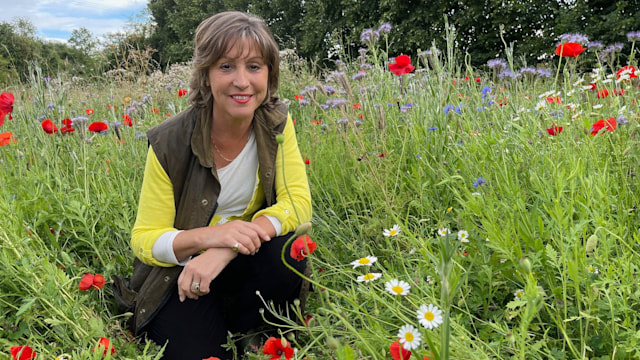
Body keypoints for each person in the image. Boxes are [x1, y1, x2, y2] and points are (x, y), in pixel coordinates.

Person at [125, 11, 312, 360]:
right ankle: (221, 326)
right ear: (206, 75)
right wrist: (207, 239)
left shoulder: (276, 124)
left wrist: (228, 246)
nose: (242, 81)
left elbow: (298, 203)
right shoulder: (170, 142)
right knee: (204, 353)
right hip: (181, 275)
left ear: (269, 74)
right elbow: (145, 237)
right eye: (226, 66)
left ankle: (250, 328)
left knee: (289, 247)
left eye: (254, 66)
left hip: (240, 261)